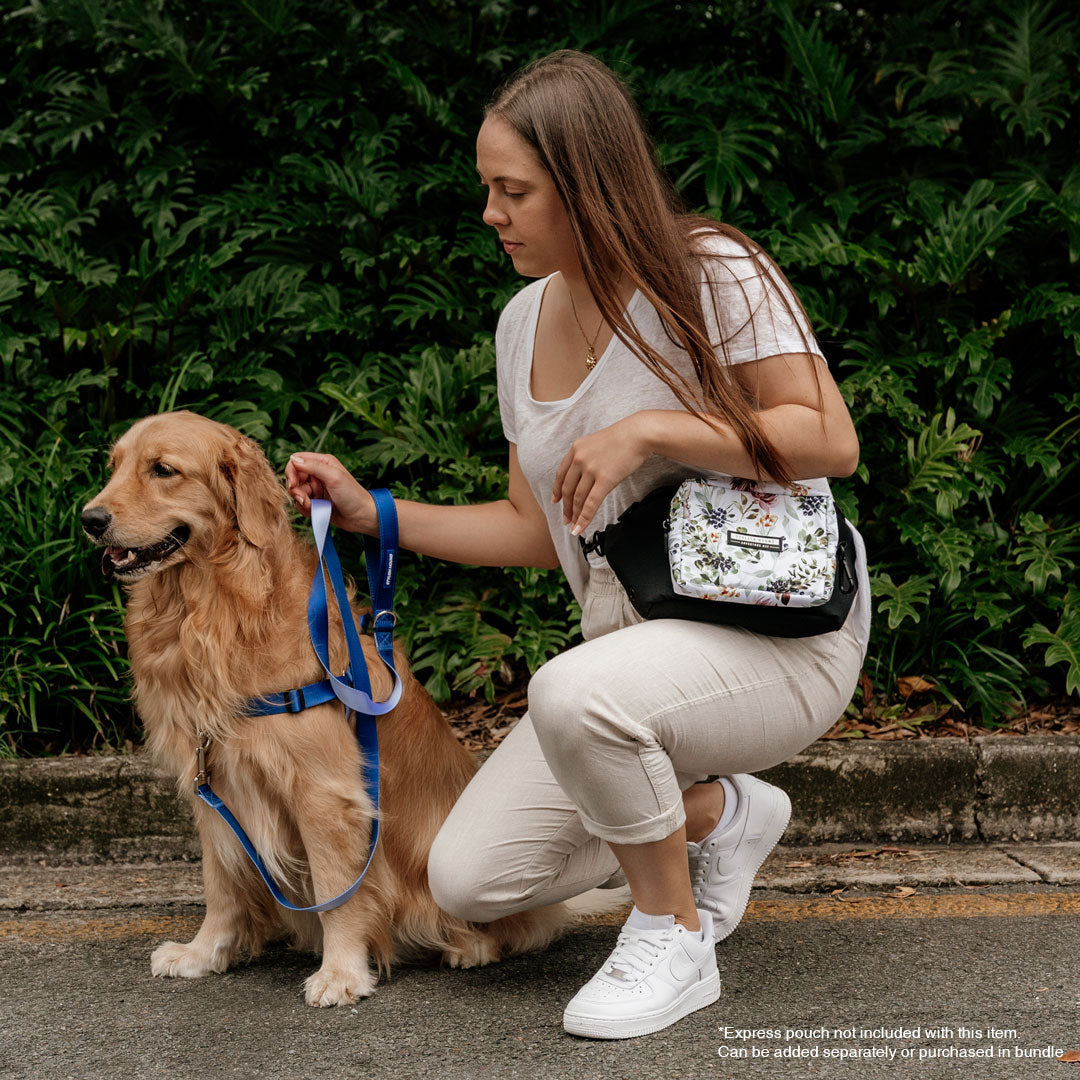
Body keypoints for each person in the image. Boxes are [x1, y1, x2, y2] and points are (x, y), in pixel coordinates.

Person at [285, 50, 871, 1040]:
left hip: (777, 637)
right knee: (471, 881)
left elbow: (829, 440)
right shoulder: (522, 324)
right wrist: (367, 512)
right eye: (488, 190)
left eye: (513, 191)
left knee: (570, 692)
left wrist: (654, 430)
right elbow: (529, 525)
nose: (491, 214)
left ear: (589, 189)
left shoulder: (713, 270)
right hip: (630, 663)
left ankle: (671, 936)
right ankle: (722, 821)